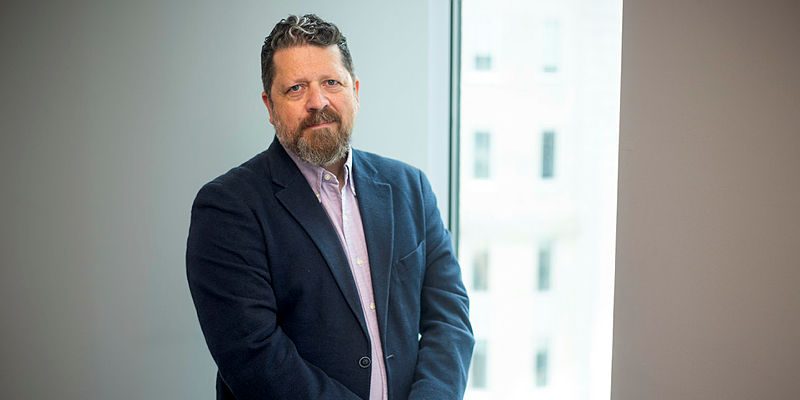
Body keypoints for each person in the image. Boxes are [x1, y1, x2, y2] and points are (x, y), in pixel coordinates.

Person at [186, 14, 474, 400]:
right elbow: (255, 358)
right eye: (296, 89)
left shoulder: (411, 188)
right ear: (269, 106)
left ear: (355, 91)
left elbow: (450, 321)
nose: (317, 101)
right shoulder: (227, 208)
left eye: (331, 83)